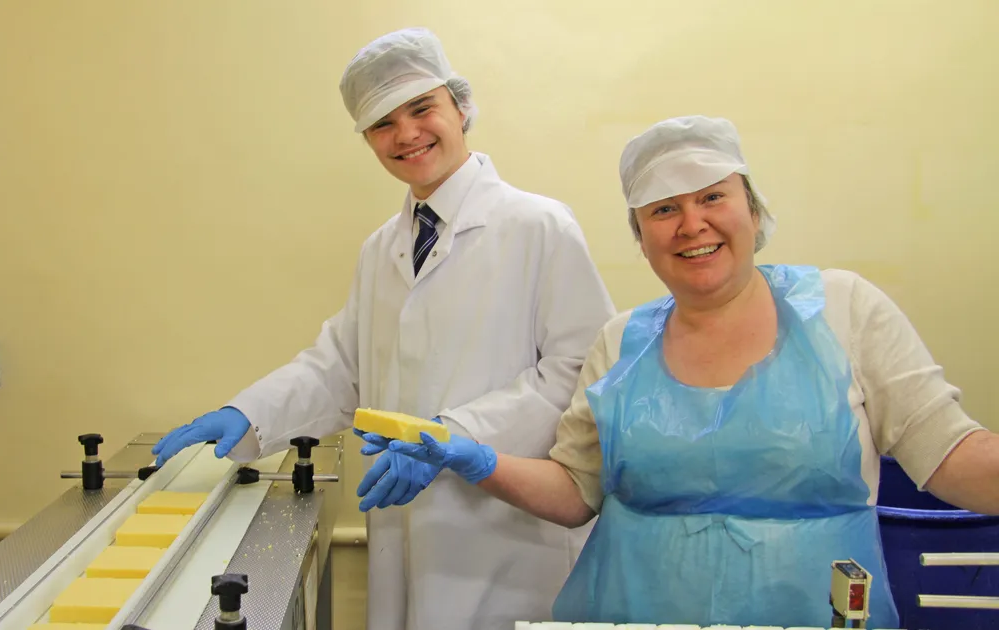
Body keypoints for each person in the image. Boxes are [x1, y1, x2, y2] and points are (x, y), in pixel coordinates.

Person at [359, 114, 999, 628]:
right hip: (633, 616)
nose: (693, 224)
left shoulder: (843, 310)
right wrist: (473, 457)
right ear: (640, 235)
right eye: (663, 209)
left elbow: (954, 455)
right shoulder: (621, 342)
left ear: (753, 210)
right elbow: (577, 493)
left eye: (713, 197)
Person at [148, 27, 617, 630]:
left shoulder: (539, 226)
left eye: (422, 109)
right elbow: (340, 368)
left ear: (460, 106)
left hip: (507, 538)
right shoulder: (382, 249)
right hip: (403, 527)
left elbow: (579, 374)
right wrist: (248, 415)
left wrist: (455, 439)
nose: (407, 135)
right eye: (382, 124)